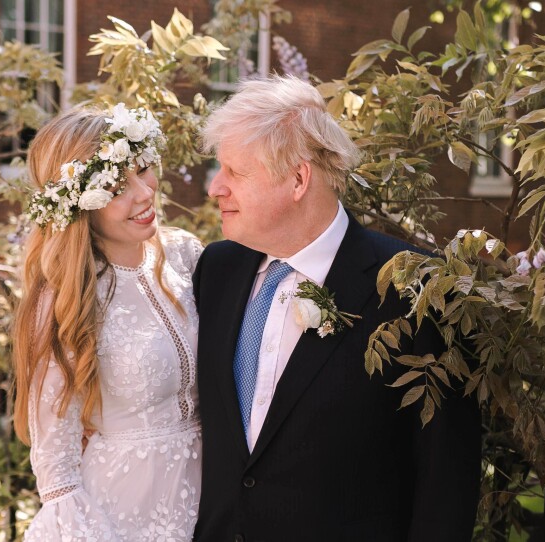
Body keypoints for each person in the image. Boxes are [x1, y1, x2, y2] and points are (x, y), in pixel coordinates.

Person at [192, 75, 482, 541]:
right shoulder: (217, 270)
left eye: (235, 172)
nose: (216, 188)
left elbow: (446, 478)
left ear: (298, 179)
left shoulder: (415, 288)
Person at [12, 105, 203, 541]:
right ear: (80, 203)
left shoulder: (186, 256)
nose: (143, 192)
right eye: (117, 186)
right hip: (119, 514)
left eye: (142, 169)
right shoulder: (63, 299)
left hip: (209, 499)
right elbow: (57, 469)